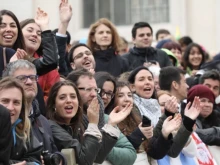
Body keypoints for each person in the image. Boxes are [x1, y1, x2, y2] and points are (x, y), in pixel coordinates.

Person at [47, 80, 132, 165]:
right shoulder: (51, 126)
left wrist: (111, 124)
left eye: (73, 97)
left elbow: (97, 157)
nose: (69, 100)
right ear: (54, 104)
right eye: (62, 97)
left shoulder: (78, 124)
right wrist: (92, 124)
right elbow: (85, 161)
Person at [2, 60, 66, 164]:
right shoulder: (10, 119)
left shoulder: (43, 121)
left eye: (32, 77)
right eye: (22, 78)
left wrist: (58, 159)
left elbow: (48, 152)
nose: (29, 82)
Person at [95, 72, 137, 165]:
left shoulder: (107, 119)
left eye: (109, 93)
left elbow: (131, 154)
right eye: (100, 91)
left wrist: (101, 149)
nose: (105, 97)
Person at [20, 7, 60, 101]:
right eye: (30, 30)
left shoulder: (49, 69)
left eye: (39, 33)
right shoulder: (8, 56)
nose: (34, 35)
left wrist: (45, 27)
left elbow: (52, 99)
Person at [0, 77, 42, 164]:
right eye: (5, 101)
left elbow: (36, 159)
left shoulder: (24, 128)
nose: (10, 108)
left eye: (16, 102)